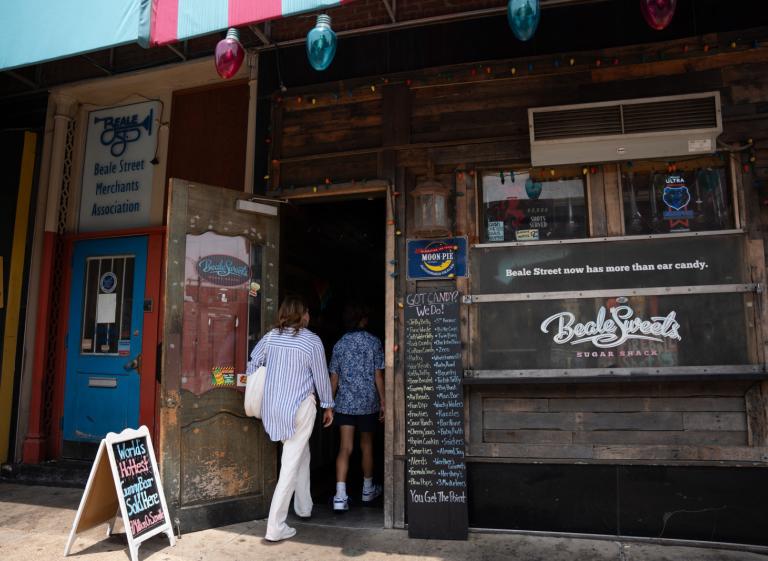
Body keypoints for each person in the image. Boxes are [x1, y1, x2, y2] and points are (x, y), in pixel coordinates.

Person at [247, 296, 334, 542]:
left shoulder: (271, 337)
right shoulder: (312, 341)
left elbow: (253, 364)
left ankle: (304, 506)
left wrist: (267, 386)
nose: (309, 316)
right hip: (299, 408)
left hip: (274, 408)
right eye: (307, 312)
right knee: (290, 463)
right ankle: (275, 525)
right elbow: (321, 377)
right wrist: (328, 405)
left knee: (300, 453)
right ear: (302, 314)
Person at [329, 303, 385, 512]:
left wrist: (328, 403)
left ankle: (340, 496)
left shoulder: (340, 344)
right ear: (363, 319)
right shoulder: (374, 342)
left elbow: (334, 378)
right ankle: (367, 489)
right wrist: (384, 402)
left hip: (344, 404)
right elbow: (378, 376)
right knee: (366, 446)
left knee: (345, 448)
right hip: (368, 403)